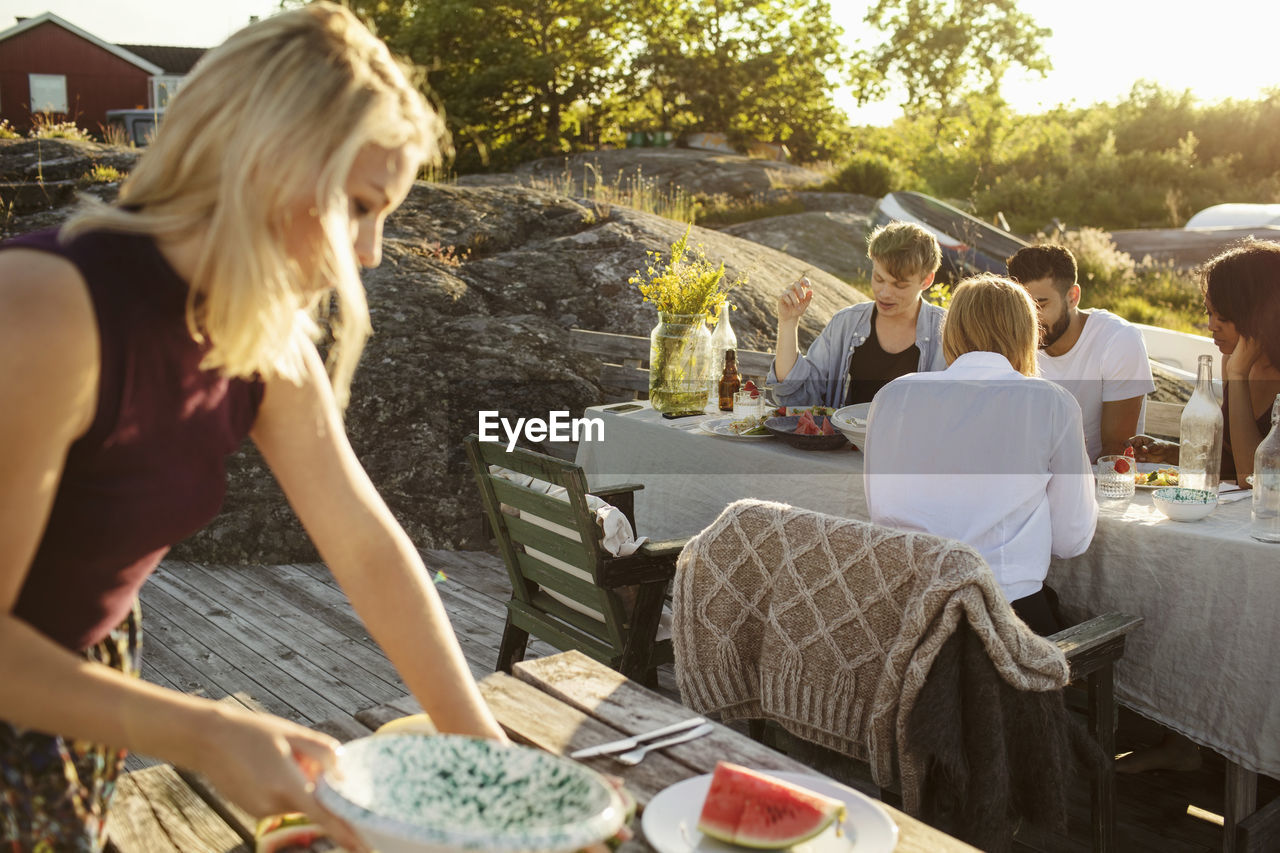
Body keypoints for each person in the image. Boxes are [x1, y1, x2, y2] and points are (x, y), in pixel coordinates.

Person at [0, 6, 505, 851]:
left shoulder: (264, 336)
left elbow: (366, 544)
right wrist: (203, 731)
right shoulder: (45, 309)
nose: (373, 252)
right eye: (360, 205)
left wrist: (481, 746)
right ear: (273, 158)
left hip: (73, 692)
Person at [864, 275, 1097, 636]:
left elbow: (881, 511)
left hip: (903, 615)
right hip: (1004, 615)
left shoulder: (893, 396)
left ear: (951, 331)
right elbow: (1071, 540)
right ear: (1026, 335)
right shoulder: (1051, 402)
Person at [1127, 240, 1280, 483]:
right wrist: (1173, 452)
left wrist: (1238, 375)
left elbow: (1254, 480)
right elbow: (1234, 458)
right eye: (1209, 313)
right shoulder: (1233, 359)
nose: (1211, 326)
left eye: (1223, 316)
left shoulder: (1237, 366)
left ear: (1259, 314)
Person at [769, 222, 947, 407]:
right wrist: (788, 321)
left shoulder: (948, 332)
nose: (884, 292)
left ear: (926, 280)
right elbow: (794, 396)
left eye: (899, 285)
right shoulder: (846, 323)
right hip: (844, 437)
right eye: (878, 278)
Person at [1007, 245, 1155, 462]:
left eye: (1040, 304)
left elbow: (1115, 452)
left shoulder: (1119, 340)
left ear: (1073, 297)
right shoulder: (1012, 340)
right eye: (1022, 306)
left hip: (1095, 483)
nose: (1030, 318)